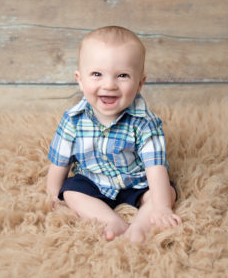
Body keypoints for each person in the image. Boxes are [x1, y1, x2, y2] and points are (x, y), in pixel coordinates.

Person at [47, 26, 181, 243]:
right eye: (97, 74)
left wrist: (163, 207)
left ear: (139, 83)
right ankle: (110, 220)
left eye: (122, 75)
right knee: (70, 192)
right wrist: (53, 194)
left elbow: (155, 167)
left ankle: (139, 226)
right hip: (93, 181)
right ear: (80, 79)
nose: (109, 85)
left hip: (136, 182)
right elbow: (59, 162)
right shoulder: (73, 119)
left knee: (165, 192)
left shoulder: (145, 122)